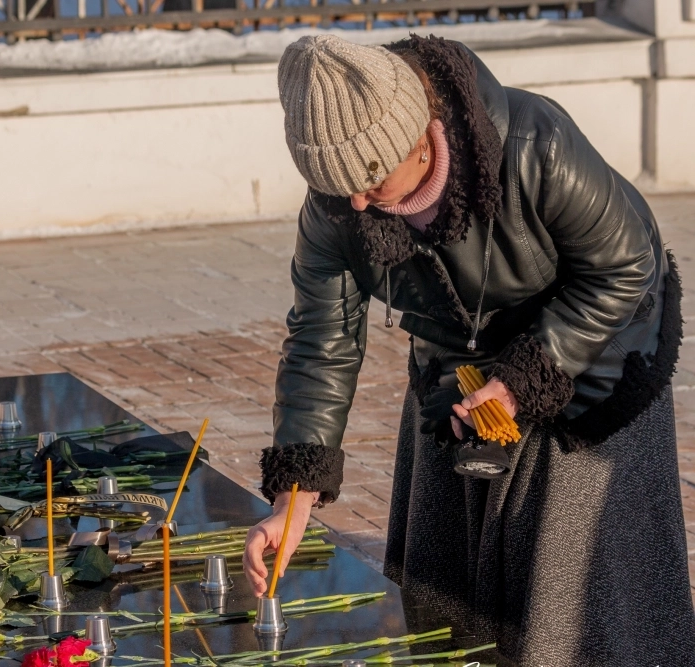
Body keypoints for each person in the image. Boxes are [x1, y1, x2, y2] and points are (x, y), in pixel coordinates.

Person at [242, 33, 695, 665]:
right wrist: (296, 498)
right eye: (336, 185)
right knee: (446, 602)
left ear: (422, 137)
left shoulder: (536, 143)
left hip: (594, 351)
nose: (356, 204)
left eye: (371, 180)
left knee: (571, 609)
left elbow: (624, 269)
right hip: (455, 361)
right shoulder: (338, 204)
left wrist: (521, 380)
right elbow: (322, 338)